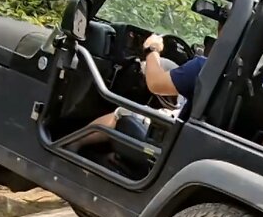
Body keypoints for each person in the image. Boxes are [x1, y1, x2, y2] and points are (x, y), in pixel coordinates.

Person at [72, 21, 221, 148]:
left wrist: (152, 50)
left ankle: (71, 145)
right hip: (197, 137)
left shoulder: (205, 67)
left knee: (122, 113)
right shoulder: (229, 73)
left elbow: (155, 83)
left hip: (176, 135)